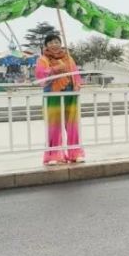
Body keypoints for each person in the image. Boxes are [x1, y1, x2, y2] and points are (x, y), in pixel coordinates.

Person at [35, 33, 84, 165]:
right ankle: (53, 155)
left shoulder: (68, 58)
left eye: (57, 42)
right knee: (54, 125)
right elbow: (40, 75)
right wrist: (55, 69)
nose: (54, 45)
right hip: (53, 93)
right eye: (51, 42)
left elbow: (75, 73)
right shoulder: (43, 59)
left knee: (72, 124)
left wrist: (77, 84)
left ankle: (76, 153)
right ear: (46, 45)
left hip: (70, 92)